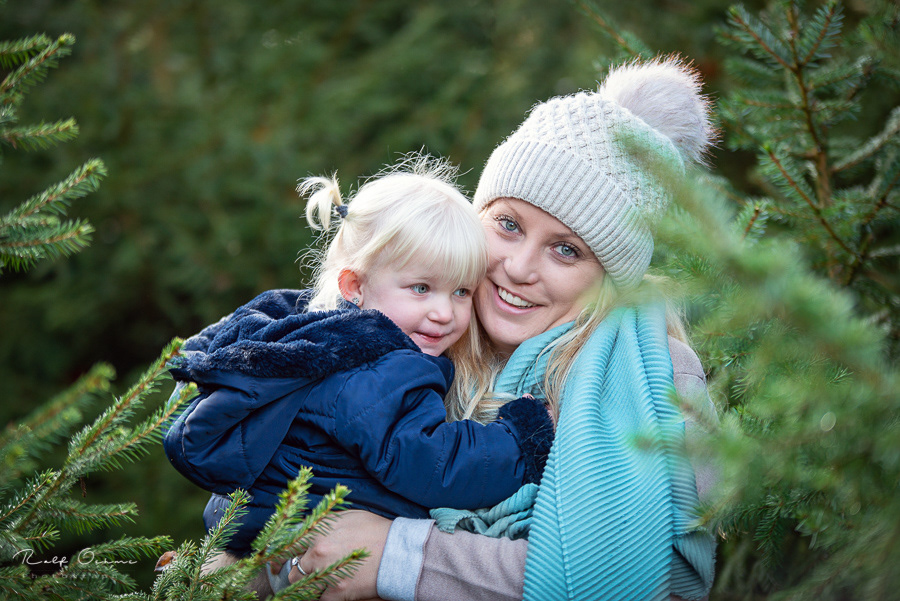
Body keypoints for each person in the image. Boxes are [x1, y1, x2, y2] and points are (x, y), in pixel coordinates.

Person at [284, 56, 719, 601]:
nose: (518, 267)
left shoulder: (658, 383)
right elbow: (291, 501)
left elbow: (656, 584)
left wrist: (401, 556)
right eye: (508, 225)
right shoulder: (409, 336)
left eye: (566, 250)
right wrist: (248, 566)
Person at [162, 156, 555, 585]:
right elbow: (434, 465)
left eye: (461, 291)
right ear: (355, 286)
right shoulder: (379, 366)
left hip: (260, 527)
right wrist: (521, 437)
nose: (445, 312)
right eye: (421, 288)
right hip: (319, 543)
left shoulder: (313, 332)